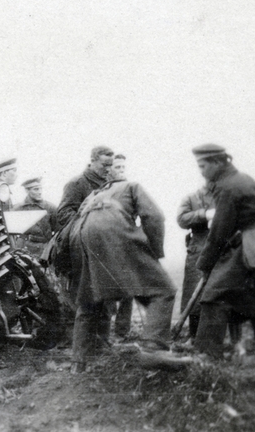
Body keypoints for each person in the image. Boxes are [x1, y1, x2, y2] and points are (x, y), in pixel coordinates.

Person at [67, 167, 176, 372]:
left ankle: (78, 364)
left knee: (88, 300)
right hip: (112, 230)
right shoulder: (131, 186)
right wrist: (153, 253)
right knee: (163, 290)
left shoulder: (93, 195)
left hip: (81, 237)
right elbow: (154, 217)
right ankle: (154, 349)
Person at [191, 144, 255, 367]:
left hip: (254, 245)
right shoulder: (241, 179)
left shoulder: (229, 186)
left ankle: (206, 358)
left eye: (203, 166)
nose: (201, 171)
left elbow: (219, 232)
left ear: (217, 162)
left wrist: (205, 263)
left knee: (214, 294)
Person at [176, 184, 214, 338]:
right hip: (199, 247)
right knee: (194, 293)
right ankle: (194, 337)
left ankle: (232, 341)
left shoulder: (227, 195)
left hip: (226, 247)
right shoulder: (191, 197)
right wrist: (204, 215)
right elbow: (181, 219)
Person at [105, 153, 133, 341]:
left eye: (123, 167)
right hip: (105, 245)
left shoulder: (131, 189)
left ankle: (122, 332)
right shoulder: (101, 190)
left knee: (128, 290)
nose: (122, 171)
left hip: (126, 244)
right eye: (117, 167)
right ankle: (104, 332)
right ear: (109, 170)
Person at [55, 146, 115, 230]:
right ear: (92, 161)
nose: (108, 169)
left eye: (110, 165)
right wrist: (87, 222)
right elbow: (63, 214)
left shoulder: (112, 181)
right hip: (88, 235)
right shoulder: (76, 183)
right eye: (104, 165)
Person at [13, 177, 58, 259]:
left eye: (40, 189)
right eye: (36, 189)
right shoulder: (18, 209)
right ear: (27, 191)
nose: (40, 192)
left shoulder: (50, 207)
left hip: (44, 250)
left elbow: (57, 230)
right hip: (23, 249)